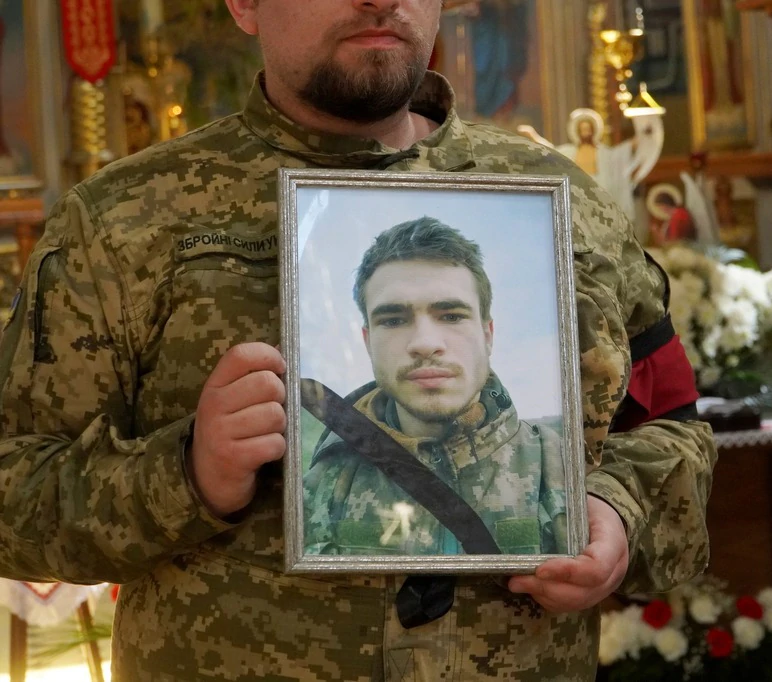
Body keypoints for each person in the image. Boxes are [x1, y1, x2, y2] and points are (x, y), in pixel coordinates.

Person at [0, 0, 716, 679]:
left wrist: (617, 513)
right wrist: (186, 474)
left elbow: (674, 428)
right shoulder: (126, 222)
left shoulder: (561, 205)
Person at [302, 216, 568, 557]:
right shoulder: (323, 481)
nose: (425, 343)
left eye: (452, 316)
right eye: (393, 320)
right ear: (367, 342)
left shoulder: (562, 465)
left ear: (488, 335)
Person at [518, 107, 664, 223]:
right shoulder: (569, 152)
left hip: (598, 192)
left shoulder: (604, 153)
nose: (586, 132)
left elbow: (622, 154)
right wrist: (533, 136)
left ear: (593, 130)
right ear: (577, 131)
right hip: (577, 193)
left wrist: (642, 136)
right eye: (583, 129)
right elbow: (550, 151)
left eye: (588, 129)